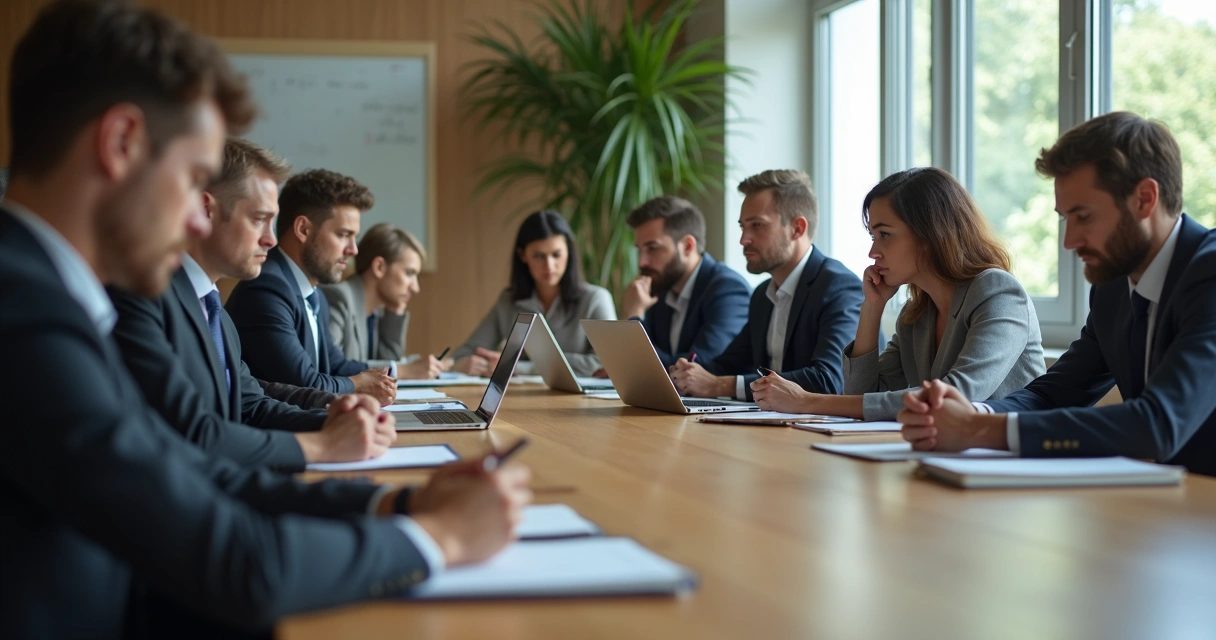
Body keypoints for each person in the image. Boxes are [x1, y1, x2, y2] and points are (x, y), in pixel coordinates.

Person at [0, 2, 530, 637]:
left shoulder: (48, 295)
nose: (200, 221)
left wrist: (397, 502)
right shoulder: (23, 317)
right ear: (119, 145)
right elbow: (238, 563)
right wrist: (438, 538)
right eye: (193, 179)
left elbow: (185, 469)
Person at [898, 111, 1216, 477]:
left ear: (1144, 199)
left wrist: (975, 430)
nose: (1070, 242)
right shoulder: (1114, 291)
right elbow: (1052, 394)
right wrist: (972, 412)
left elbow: (1158, 424)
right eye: (1066, 219)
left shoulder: (1209, 273)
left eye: (1083, 216)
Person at [108, 137, 397, 470]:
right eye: (260, 219)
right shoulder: (146, 297)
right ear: (205, 211)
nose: (272, 239)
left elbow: (251, 405)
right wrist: (320, 445)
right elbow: (192, 433)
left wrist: (335, 416)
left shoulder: (215, 311)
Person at [751, 168, 1046, 419]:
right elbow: (863, 395)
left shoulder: (997, 292)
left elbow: (955, 397)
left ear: (931, 234)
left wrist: (806, 402)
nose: (873, 252)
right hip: (947, 457)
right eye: (873, 236)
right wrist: (872, 308)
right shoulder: (916, 314)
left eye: (885, 235)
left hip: (1015, 464)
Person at [670, 170, 863, 400]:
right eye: (743, 227)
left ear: (797, 229)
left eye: (757, 225)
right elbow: (726, 366)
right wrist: (687, 373)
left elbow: (830, 381)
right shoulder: (763, 295)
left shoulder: (840, 287)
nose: (744, 239)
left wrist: (721, 386)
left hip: (830, 433)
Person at [225, 168, 396, 405]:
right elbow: (304, 382)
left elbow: (336, 366)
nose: (353, 249)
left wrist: (385, 377)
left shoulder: (315, 296)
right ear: (303, 230)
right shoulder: (266, 289)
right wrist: (359, 383)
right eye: (343, 234)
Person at [450, 210, 616, 377]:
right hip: (522, 400)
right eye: (539, 256)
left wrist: (519, 367)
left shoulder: (596, 299)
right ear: (522, 255)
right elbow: (465, 353)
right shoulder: (508, 301)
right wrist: (465, 363)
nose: (549, 265)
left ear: (569, 252)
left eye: (556, 255)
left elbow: (608, 363)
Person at [620, 196, 751, 368]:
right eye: (640, 250)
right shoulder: (660, 287)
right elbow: (635, 365)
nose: (642, 262)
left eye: (653, 248)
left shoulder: (728, 289)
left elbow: (698, 366)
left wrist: (633, 317)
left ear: (687, 246)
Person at [321, 222, 445, 379]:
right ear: (379, 267)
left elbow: (387, 363)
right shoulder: (339, 298)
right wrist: (403, 370)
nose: (415, 287)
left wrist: (394, 314)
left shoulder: (376, 311)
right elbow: (330, 368)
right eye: (409, 273)